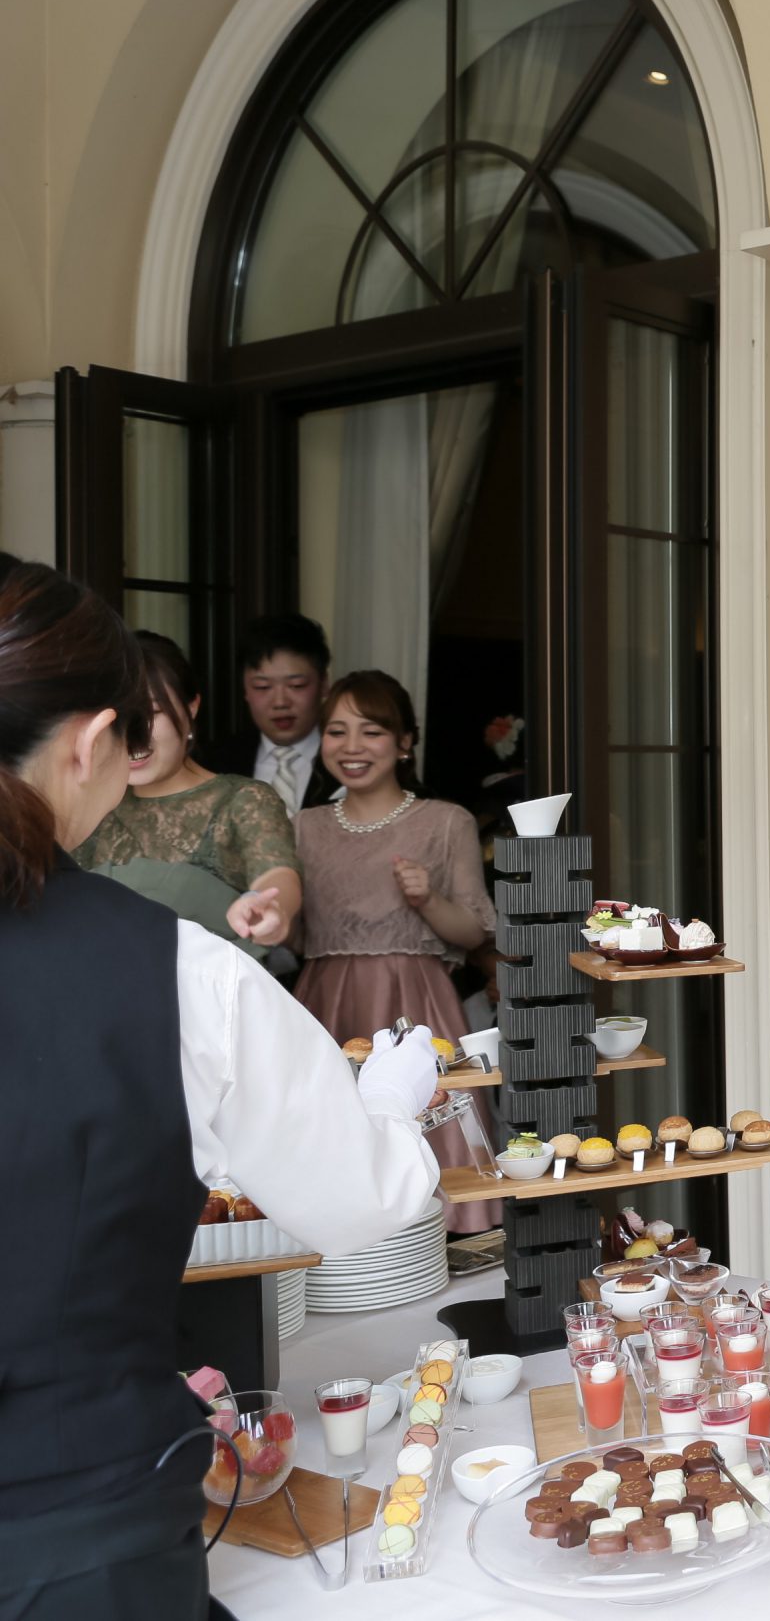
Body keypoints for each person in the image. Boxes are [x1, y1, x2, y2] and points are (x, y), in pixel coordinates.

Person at [0, 554, 441, 1619]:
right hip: (79, 1541)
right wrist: (391, 1097)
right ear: (96, 741)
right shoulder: (175, 974)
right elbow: (367, 1196)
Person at [291, 670, 498, 1231]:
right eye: (336, 732)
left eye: (372, 731)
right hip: (326, 1002)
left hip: (417, 1002)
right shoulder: (302, 828)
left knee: (434, 1120)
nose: (352, 747)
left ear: (405, 742)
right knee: (329, 1130)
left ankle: (449, 1241)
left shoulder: (445, 821)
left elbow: (475, 932)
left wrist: (427, 897)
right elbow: (291, 933)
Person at [72, 632, 300, 953]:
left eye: (151, 713)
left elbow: (276, 874)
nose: (134, 734)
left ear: (191, 706)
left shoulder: (242, 800)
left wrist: (269, 909)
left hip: (209, 996)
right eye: (119, 717)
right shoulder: (88, 804)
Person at [199, 614, 334, 814]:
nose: (280, 702)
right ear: (245, 690)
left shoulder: (349, 758)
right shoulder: (213, 764)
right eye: (262, 687)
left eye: (296, 685)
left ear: (324, 684)